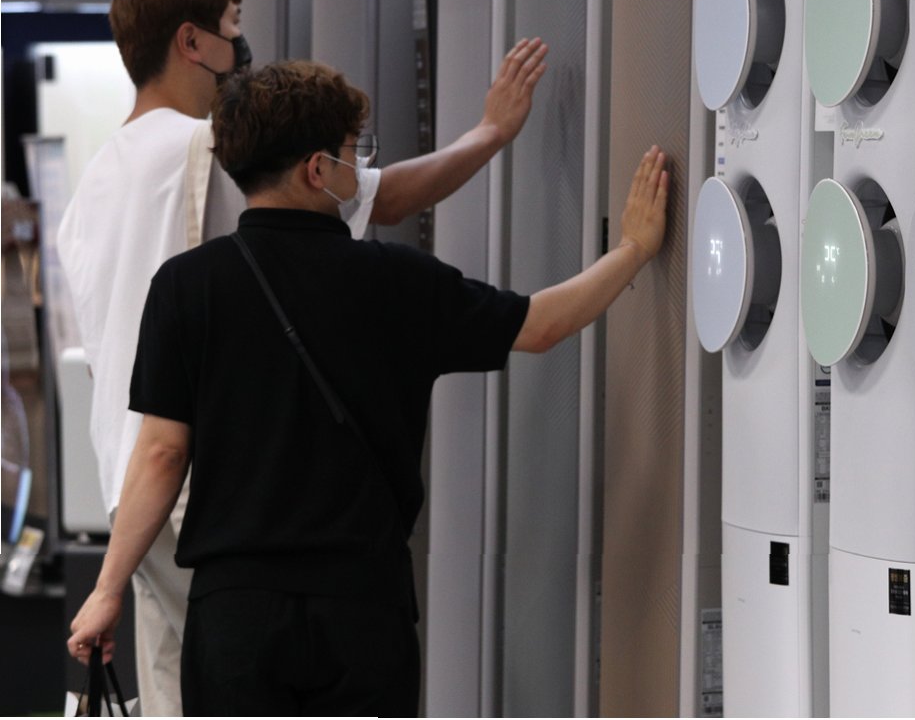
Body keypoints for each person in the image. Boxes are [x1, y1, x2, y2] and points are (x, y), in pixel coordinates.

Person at [66, 60, 669, 715]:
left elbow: (160, 453)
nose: (360, 164)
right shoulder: (396, 279)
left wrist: (107, 589)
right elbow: (541, 324)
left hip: (235, 614)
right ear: (316, 170)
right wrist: (633, 248)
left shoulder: (185, 285)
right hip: (361, 609)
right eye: (354, 150)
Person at [55, 0, 548, 715]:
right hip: (209, 497)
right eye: (232, 26)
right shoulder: (204, 149)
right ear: (191, 41)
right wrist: (490, 132)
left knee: (175, 695)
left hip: (132, 489)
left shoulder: (90, 185)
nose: (239, 45)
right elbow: (378, 198)